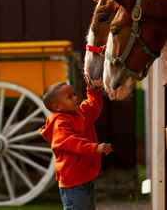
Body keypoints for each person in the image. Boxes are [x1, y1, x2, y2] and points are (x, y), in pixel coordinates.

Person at [39, 80, 112, 210]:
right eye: (70, 97)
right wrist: (94, 148)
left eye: (74, 94)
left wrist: (93, 90)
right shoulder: (60, 124)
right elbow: (72, 142)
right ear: (57, 107)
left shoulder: (79, 113)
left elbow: (93, 106)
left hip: (85, 177)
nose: (75, 97)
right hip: (72, 182)